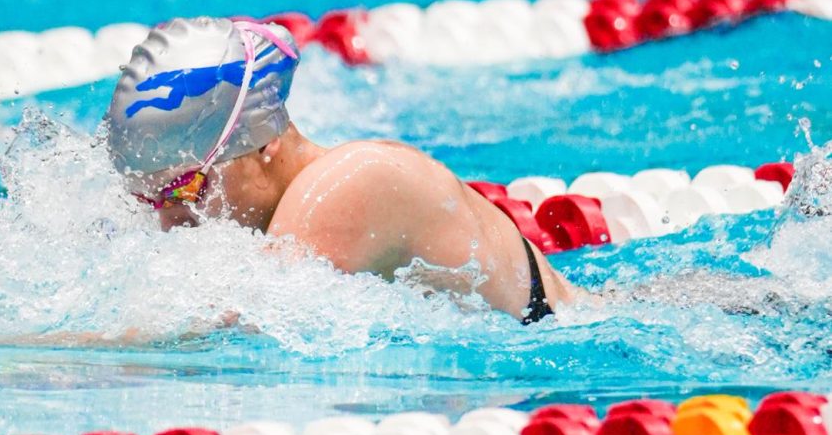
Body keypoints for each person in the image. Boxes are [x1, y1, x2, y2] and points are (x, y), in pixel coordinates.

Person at [104, 16, 576, 323]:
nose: (170, 222)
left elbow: (214, 332)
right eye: (149, 199)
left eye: (186, 189)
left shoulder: (356, 179)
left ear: (263, 142)